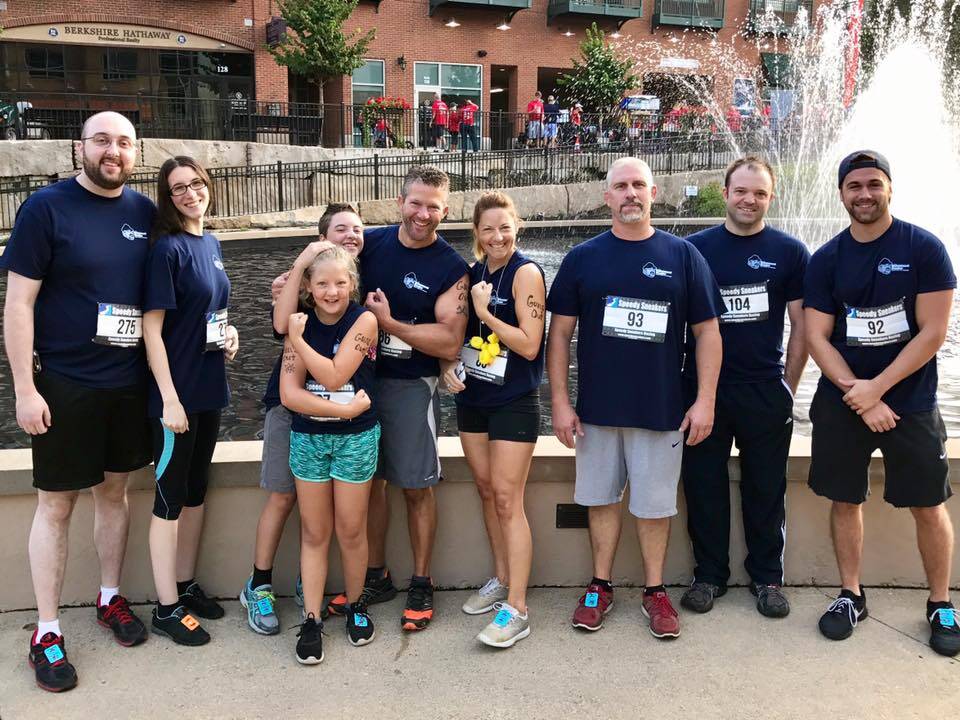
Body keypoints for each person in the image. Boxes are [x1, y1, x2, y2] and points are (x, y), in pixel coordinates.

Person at [1, 111, 154, 692]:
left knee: (114, 494)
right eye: (102, 140)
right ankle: (46, 631)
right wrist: (24, 388)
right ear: (79, 147)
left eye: (124, 142)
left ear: (135, 152)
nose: (113, 151)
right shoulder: (46, 209)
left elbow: (169, 292)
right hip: (65, 384)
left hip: (127, 383)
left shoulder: (145, 213)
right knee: (56, 505)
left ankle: (109, 597)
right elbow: (18, 304)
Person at [546, 157, 724, 640]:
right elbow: (559, 335)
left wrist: (705, 400)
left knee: (654, 506)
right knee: (600, 500)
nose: (630, 193)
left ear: (653, 192)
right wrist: (560, 402)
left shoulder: (683, 255)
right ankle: (599, 586)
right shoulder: (583, 258)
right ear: (607, 197)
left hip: (662, 410)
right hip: (597, 412)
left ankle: (654, 591)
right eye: (621, 186)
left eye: (639, 185)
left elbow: (708, 332)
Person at [804, 150, 959, 657]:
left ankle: (940, 602)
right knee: (845, 500)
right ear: (841, 193)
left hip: (911, 402)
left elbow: (932, 333)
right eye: (854, 186)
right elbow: (817, 336)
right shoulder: (826, 259)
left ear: (889, 187)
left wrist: (878, 389)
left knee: (928, 505)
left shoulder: (924, 248)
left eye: (874, 184)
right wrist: (860, 393)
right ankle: (851, 595)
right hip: (845, 402)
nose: (864, 194)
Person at [325, 165, 468, 631]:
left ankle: (421, 580)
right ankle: (376, 575)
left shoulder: (451, 267)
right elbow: (325, 276)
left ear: (446, 211)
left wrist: (389, 324)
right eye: (416, 203)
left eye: (433, 207)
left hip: (411, 386)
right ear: (400, 201)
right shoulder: (371, 244)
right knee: (369, 484)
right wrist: (286, 286)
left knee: (416, 486)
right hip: (360, 383)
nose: (423, 214)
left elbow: (449, 340)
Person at [680, 156, 810, 618]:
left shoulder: (790, 252)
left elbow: (802, 326)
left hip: (764, 390)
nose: (749, 200)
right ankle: (709, 576)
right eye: (741, 191)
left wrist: (787, 387)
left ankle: (767, 578)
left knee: (766, 489)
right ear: (726, 193)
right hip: (703, 393)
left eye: (759, 193)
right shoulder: (693, 250)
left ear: (770, 198)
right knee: (703, 487)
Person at [240, 204, 365, 635]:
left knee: (337, 518)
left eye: (357, 228)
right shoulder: (301, 283)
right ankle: (259, 584)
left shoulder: (353, 288)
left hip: (344, 424)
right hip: (291, 407)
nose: (350, 235)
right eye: (340, 229)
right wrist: (299, 265)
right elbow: (282, 326)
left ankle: (310, 584)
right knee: (282, 495)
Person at [440, 192, 545, 648]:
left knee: (507, 499)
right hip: (474, 399)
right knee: (486, 490)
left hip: (513, 401)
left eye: (504, 227)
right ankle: (501, 578)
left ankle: (517, 608)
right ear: (476, 234)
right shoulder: (473, 273)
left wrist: (484, 312)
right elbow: (454, 335)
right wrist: (446, 365)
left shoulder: (526, 273)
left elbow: (529, 344)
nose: (497, 236)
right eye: (488, 229)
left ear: (516, 226)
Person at [142, 156, 238, 645]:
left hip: (208, 389)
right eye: (178, 188)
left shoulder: (211, 244)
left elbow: (209, 311)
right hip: (176, 398)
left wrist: (229, 333)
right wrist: (168, 400)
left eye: (196, 183)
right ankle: (165, 607)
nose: (189, 193)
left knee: (197, 491)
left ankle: (185, 583)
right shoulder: (167, 250)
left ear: (208, 186)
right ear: (167, 197)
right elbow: (152, 329)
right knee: (169, 498)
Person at [280, 245, 380, 664]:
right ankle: (312, 617)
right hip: (310, 439)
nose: (331, 291)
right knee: (314, 533)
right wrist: (343, 410)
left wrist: (298, 341)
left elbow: (337, 375)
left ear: (352, 283)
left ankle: (356, 604)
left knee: (351, 530)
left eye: (340, 282)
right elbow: (290, 395)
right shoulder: (300, 322)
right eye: (322, 283)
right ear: (309, 286)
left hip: (355, 439)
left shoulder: (364, 320)